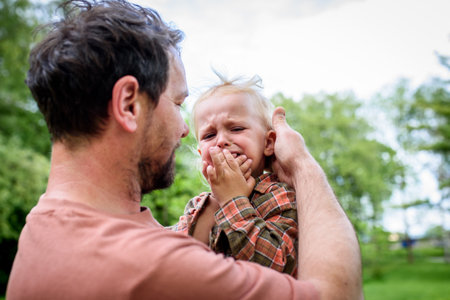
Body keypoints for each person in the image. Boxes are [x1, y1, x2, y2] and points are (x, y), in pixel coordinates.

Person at [6, 1, 363, 299]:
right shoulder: (154, 266)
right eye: (177, 103)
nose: (183, 130)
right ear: (129, 104)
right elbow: (338, 293)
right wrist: (300, 163)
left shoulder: (40, 227)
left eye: (236, 128)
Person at [172, 74, 298, 276]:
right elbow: (174, 265)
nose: (221, 141)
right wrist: (215, 202)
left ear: (268, 143)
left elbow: (276, 264)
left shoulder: (280, 196)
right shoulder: (197, 207)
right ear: (201, 154)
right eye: (209, 135)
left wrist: (232, 200)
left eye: (236, 128)